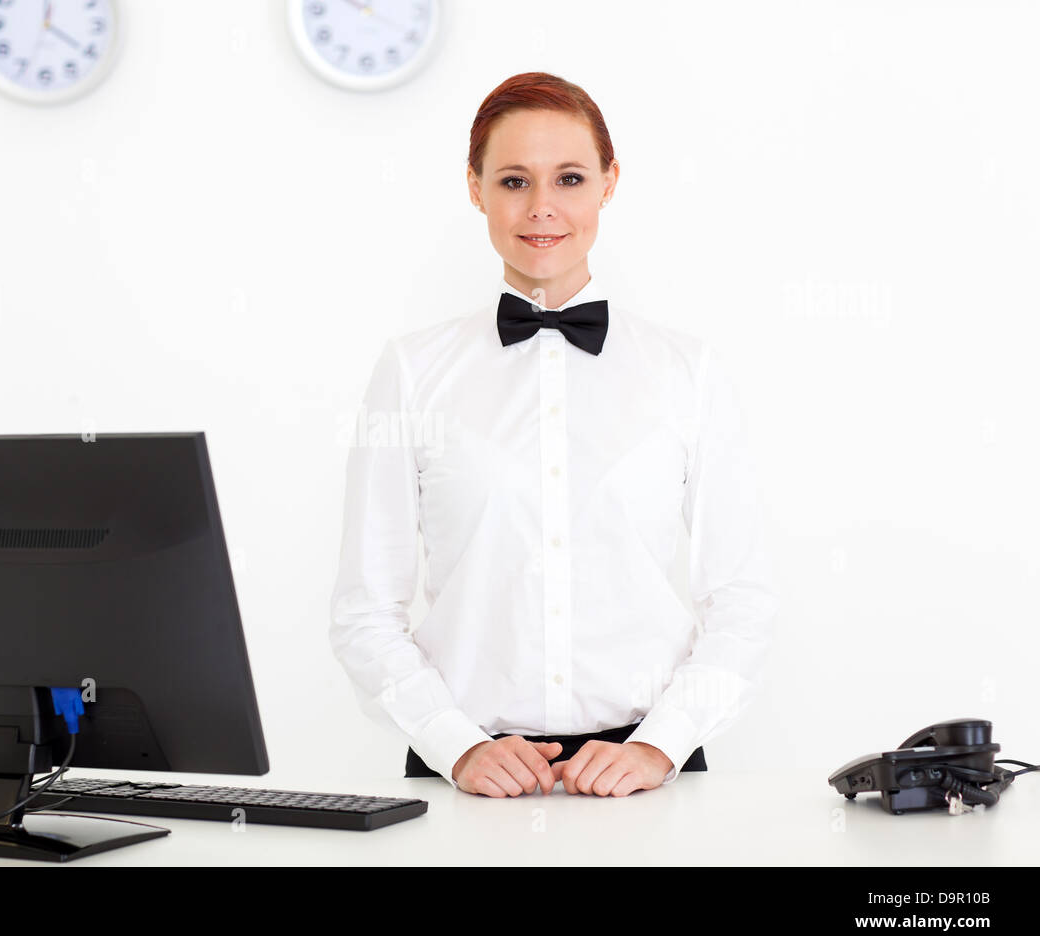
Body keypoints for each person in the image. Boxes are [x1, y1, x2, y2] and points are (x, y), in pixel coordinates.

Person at [328, 71, 777, 799]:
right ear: (475, 188)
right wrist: (458, 745)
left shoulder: (687, 371)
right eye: (512, 181)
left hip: (649, 779)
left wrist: (658, 747)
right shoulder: (412, 371)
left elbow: (742, 599)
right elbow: (364, 611)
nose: (542, 208)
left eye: (569, 178)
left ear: (609, 182)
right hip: (464, 777)